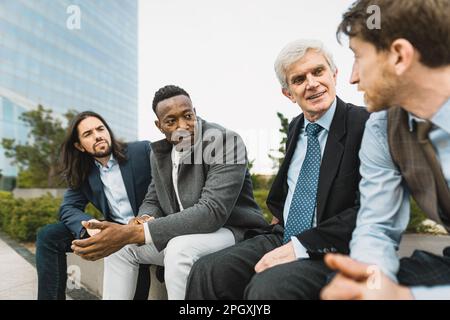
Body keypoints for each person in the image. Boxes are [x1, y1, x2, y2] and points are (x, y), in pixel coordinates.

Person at [185, 39, 369, 300]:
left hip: (333, 247)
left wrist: (302, 245)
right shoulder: (296, 128)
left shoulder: (365, 125)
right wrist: (281, 217)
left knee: (268, 288)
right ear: (288, 94)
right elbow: (293, 186)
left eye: (318, 72)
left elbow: (371, 210)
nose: (312, 83)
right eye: (298, 79)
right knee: (207, 270)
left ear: (334, 74)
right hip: (283, 235)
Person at [72, 85, 269, 299]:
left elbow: (212, 212)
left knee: (178, 248)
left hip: (233, 231)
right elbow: (153, 198)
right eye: (171, 121)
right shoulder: (159, 154)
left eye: (187, 115)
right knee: (120, 248)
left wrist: (135, 233)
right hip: (185, 234)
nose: (183, 126)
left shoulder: (224, 140)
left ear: (195, 110)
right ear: (159, 125)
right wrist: (140, 222)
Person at [321, 0, 450, 300]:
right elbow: (377, 226)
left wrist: (406, 298)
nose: (353, 77)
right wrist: (371, 285)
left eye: (358, 57)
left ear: (399, 56)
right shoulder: (381, 129)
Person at [36, 111, 152, 300]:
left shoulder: (142, 151)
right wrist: (89, 228)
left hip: (146, 228)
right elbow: (68, 208)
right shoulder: (84, 172)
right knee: (48, 236)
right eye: (87, 134)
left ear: (108, 132)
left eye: (100, 129)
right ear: (79, 146)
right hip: (111, 228)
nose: (97, 135)